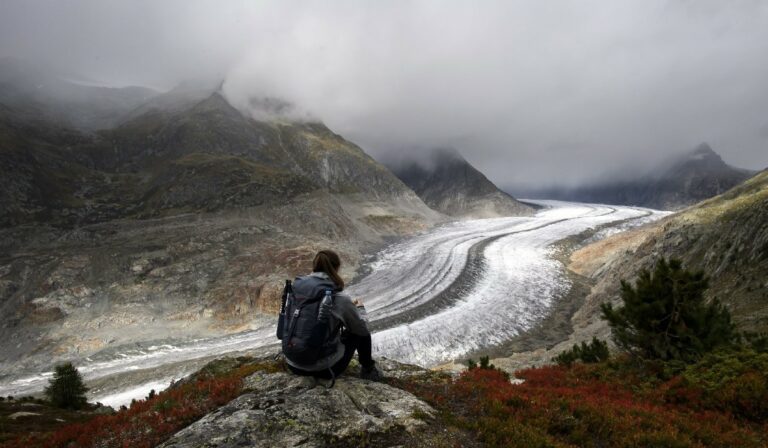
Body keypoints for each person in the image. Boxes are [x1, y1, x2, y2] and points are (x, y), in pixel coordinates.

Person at [283, 250, 382, 382]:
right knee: (358, 331)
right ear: (336, 268)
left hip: (292, 363)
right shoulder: (337, 297)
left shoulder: (297, 288)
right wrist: (359, 309)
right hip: (324, 369)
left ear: (314, 266)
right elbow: (362, 328)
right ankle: (368, 370)